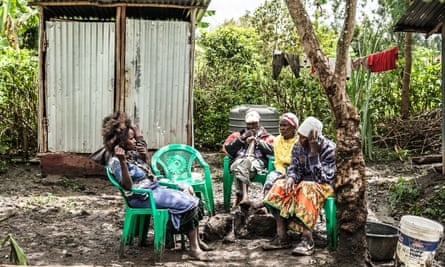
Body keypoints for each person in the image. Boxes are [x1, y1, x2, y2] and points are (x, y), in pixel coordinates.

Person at [101, 112, 211, 261]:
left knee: (189, 192)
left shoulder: (131, 154)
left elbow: (147, 172)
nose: (135, 141)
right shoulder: (116, 161)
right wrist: (122, 162)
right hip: (142, 196)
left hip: (153, 189)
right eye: (131, 139)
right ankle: (194, 249)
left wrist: (143, 155)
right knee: (188, 202)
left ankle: (196, 240)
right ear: (120, 142)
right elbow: (128, 186)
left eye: (134, 138)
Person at [261, 116, 336, 256]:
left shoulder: (329, 149)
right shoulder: (298, 146)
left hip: (324, 186)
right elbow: (295, 168)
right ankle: (281, 236)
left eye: (304, 138)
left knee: (308, 187)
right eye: (300, 136)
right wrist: (290, 178)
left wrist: (314, 154)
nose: (300, 140)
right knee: (279, 186)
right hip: (303, 183)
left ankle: (307, 239)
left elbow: (324, 179)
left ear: (314, 138)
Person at [248, 112, 299, 212]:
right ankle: (267, 207)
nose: (282, 128)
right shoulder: (278, 140)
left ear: (293, 127)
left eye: (285, 125)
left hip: (296, 170)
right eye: (280, 125)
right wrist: (282, 172)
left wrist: (288, 174)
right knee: (271, 177)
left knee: (288, 183)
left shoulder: (299, 141)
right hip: (281, 169)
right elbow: (278, 160)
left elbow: (296, 161)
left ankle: (265, 203)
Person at [223, 110, 274, 208]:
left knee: (242, 165)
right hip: (238, 161)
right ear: (245, 124)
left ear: (259, 122)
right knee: (242, 163)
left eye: (254, 123)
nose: (252, 126)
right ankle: (244, 196)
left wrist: (258, 142)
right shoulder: (237, 135)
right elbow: (227, 149)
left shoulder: (267, 137)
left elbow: (274, 151)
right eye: (249, 124)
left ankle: (240, 195)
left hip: (256, 164)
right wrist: (242, 139)